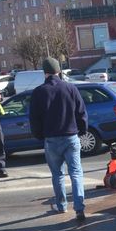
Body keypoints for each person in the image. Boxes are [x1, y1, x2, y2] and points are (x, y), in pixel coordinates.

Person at [29, 57, 88, 222]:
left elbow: (34, 119)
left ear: (44, 73)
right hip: (71, 136)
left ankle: (62, 206)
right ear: (59, 71)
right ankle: (79, 208)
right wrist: (82, 130)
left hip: (51, 139)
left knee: (57, 174)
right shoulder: (70, 88)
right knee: (76, 173)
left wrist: (40, 135)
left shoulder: (39, 92)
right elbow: (82, 112)